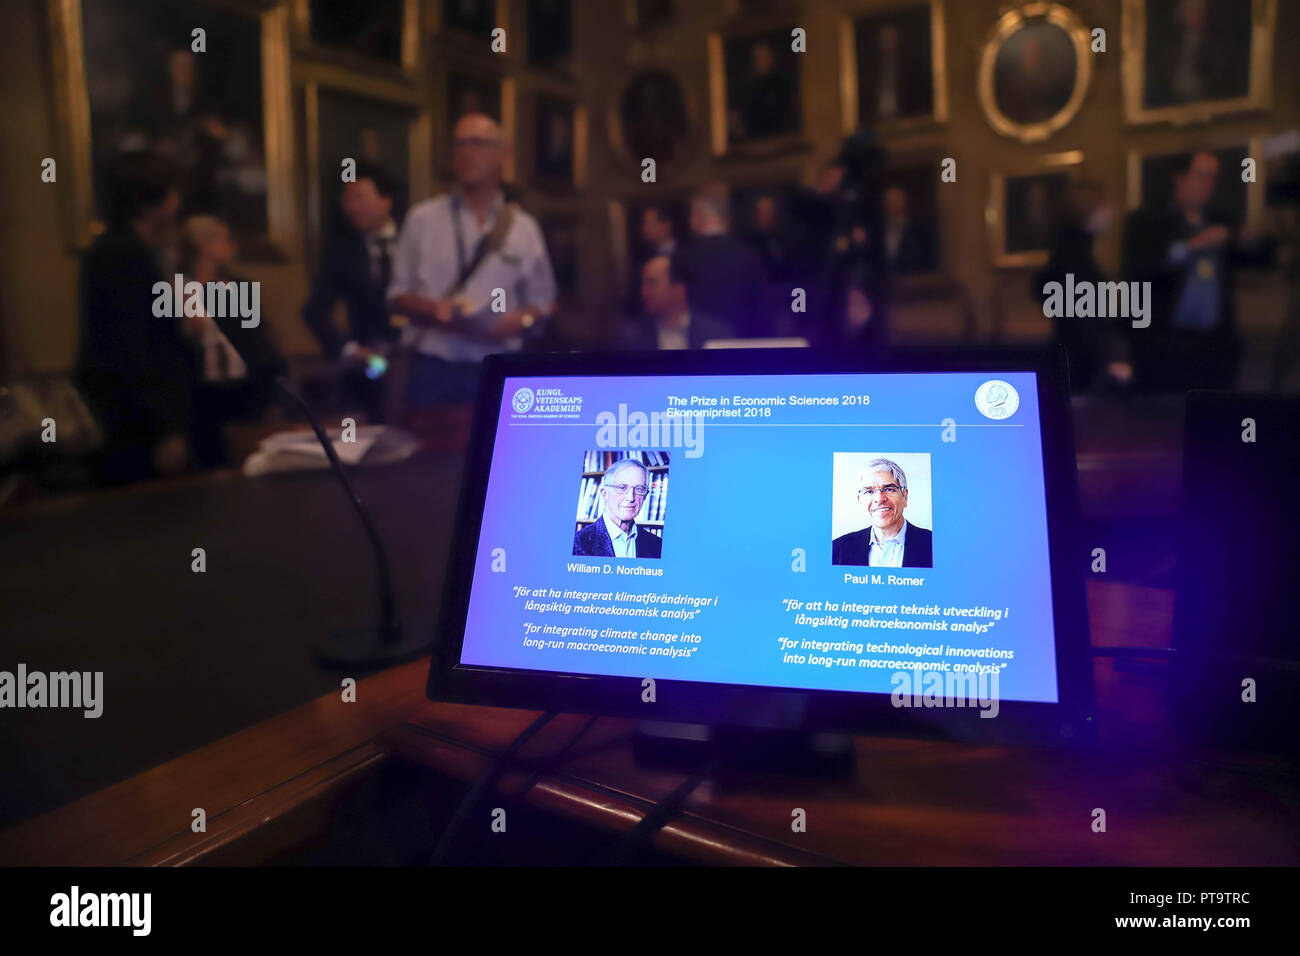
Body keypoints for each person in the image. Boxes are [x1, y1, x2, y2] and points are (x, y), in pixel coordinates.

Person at [387, 113, 556, 406]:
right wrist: (432, 308)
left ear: (503, 154)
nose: (467, 152)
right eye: (460, 144)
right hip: (434, 367)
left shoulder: (523, 227)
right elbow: (396, 295)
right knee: (434, 452)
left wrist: (523, 319)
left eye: (477, 143)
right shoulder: (423, 218)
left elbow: (545, 302)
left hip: (501, 367)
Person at [76, 151, 196, 485]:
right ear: (148, 202)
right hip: (135, 427)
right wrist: (165, 429)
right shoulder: (122, 254)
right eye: (172, 194)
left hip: (136, 418)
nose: (177, 204)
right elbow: (130, 350)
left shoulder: (127, 250)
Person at [1122, 150, 1270, 391]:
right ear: (1179, 178)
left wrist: (1253, 240)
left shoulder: (1223, 221)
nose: (1208, 185)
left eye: (1213, 178)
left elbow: (1260, 260)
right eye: (1202, 176)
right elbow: (1140, 270)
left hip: (1214, 346)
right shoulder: (1147, 222)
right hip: (1165, 347)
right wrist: (1194, 246)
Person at [178, 215, 285, 468]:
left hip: (247, 390)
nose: (231, 247)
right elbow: (187, 337)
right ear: (203, 244)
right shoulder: (180, 287)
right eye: (224, 240)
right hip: (205, 395)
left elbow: (260, 335)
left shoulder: (239, 286)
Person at [301, 162, 402, 419]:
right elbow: (315, 311)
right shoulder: (341, 252)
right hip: (369, 369)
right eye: (347, 200)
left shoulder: (414, 239)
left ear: (385, 201)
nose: (352, 207)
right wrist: (350, 350)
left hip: (416, 363)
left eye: (360, 197)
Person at [1035, 181, 1132, 392]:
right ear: (1090, 212)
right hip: (1081, 355)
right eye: (1104, 207)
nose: (1111, 213)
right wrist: (1108, 358)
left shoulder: (1071, 249)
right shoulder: (1073, 255)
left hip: (1075, 349)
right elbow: (1082, 315)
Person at [676, 182, 767, 338]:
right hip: (742, 344)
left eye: (692, 214)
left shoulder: (684, 258)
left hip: (700, 347)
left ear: (699, 215)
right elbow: (761, 309)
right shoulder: (748, 256)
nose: (690, 220)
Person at [831, 458, 933, 568]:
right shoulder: (838, 548)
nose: (879, 499)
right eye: (869, 491)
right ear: (860, 499)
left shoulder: (934, 544)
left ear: (905, 496)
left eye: (889, 489)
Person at [619, 254, 734, 350]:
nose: (644, 292)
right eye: (643, 284)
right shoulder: (630, 339)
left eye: (651, 283)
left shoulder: (716, 335)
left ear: (679, 288)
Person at [572, 458, 663, 559]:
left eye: (639, 489)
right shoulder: (577, 543)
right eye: (622, 487)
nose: (630, 497)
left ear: (645, 496)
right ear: (604, 493)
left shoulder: (657, 544)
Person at [881, 186, 936, 276]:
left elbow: (925, 259)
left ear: (905, 203)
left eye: (897, 200)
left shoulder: (920, 230)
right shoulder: (879, 230)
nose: (893, 205)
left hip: (912, 280)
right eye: (890, 201)